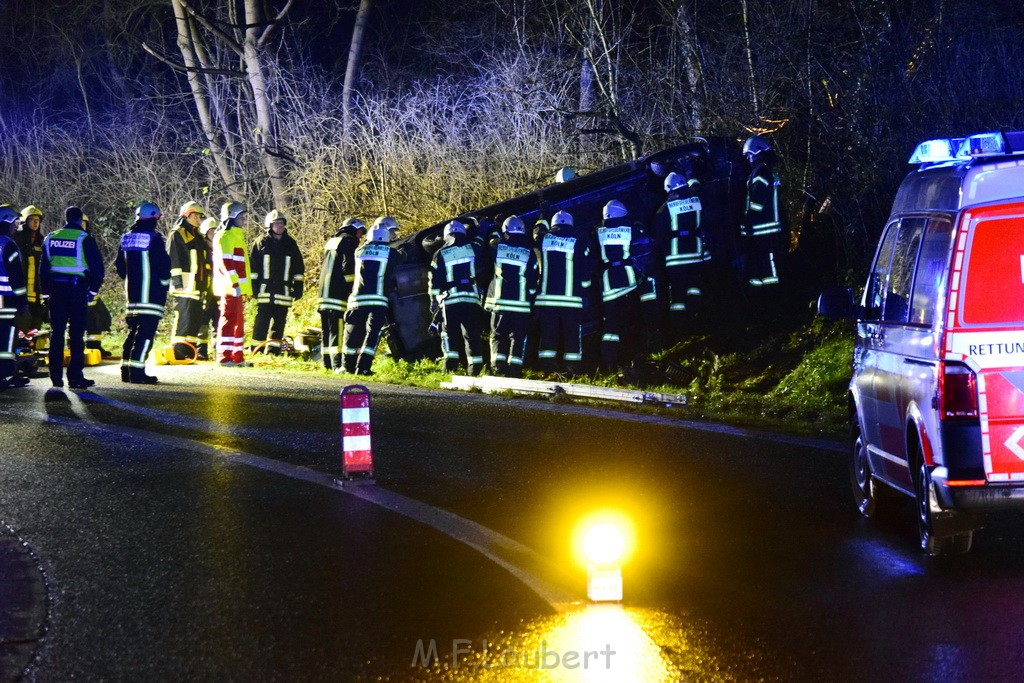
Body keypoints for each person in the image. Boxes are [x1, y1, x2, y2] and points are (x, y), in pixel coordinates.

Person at [40, 206, 104, 390]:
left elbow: (43, 267)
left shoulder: (51, 237)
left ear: (66, 218)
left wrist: (45, 293)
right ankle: (75, 377)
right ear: (79, 219)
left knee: (56, 334)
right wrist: (93, 291)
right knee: (76, 335)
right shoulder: (84, 238)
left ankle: (55, 378)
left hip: (55, 291)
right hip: (77, 291)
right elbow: (97, 267)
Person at [650, 165, 710, 340]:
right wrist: (691, 171)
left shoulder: (667, 206)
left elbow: (656, 231)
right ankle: (697, 319)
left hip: (677, 257)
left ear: (668, 188)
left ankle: (680, 328)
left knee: (677, 293)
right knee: (694, 287)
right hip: (696, 252)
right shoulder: (696, 198)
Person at [115, 202, 172, 384]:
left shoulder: (126, 239)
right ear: (154, 218)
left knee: (132, 332)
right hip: (151, 296)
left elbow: (120, 267)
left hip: (132, 298)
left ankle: (127, 370)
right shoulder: (154, 239)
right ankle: (138, 372)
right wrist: (164, 285)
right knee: (145, 334)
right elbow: (163, 267)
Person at [534, 210, 595, 376]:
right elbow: (586, 271)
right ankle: (572, 370)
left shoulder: (544, 238)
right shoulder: (580, 241)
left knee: (548, 338)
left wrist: (542, 217)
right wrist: (584, 291)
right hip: (572, 301)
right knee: (572, 338)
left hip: (547, 302)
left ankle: (547, 371)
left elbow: (537, 232)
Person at [341, 217, 405, 375]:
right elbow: (402, 258)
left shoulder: (359, 251)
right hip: (377, 300)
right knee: (372, 335)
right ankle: (363, 367)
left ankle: (346, 366)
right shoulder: (391, 253)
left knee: (351, 332)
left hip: (356, 300)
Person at [429, 219, 486, 375]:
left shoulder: (439, 253)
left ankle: (449, 370)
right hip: (471, 299)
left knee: (449, 335)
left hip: (450, 301)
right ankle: (475, 371)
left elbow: (434, 283)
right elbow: (481, 241)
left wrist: (433, 302)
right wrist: (480, 228)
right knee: (473, 335)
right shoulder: (472, 247)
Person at [484, 215, 538, 377]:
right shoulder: (529, 252)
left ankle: (498, 369)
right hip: (520, 305)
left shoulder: (498, 246)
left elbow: (491, 239)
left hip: (499, 303)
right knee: (518, 337)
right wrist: (531, 297)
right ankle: (515, 370)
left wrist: (495, 225)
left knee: (498, 335)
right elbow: (534, 277)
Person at [596, 199, 647, 370]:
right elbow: (641, 245)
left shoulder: (598, 231)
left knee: (610, 326)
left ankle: (609, 362)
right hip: (628, 281)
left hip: (608, 283)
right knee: (632, 320)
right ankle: (635, 358)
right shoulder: (630, 228)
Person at [249, 209, 305, 354]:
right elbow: (253, 267)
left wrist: (298, 286)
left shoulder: (291, 244)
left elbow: (298, 267)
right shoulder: (260, 242)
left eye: (281, 223)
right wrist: (253, 287)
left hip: (283, 291)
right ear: (269, 225)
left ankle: (273, 351)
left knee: (279, 323)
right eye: (276, 223)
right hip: (265, 291)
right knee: (262, 321)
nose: (280, 226)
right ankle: (257, 349)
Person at [317, 217, 365, 370]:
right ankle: (337, 365)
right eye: (359, 232)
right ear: (352, 229)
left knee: (327, 332)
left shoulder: (333, 241)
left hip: (323, 294)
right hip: (337, 295)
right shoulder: (349, 241)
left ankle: (327, 365)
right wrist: (354, 288)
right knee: (337, 332)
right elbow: (348, 269)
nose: (360, 236)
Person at [166, 201, 211, 360]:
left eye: (200, 216)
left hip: (198, 286)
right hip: (184, 287)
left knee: (195, 319)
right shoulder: (177, 233)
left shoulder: (197, 235)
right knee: (183, 319)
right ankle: (178, 351)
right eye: (197, 216)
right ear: (188, 215)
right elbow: (173, 260)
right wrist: (177, 282)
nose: (199, 219)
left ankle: (190, 351)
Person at [740, 135, 785, 290]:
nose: (748, 159)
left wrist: (746, 221)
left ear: (757, 152)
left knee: (767, 267)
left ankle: (770, 297)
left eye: (749, 155)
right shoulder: (767, 170)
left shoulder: (760, 172)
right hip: (766, 229)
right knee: (763, 266)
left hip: (763, 229)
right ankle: (763, 297)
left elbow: (757, 203)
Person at [212, 201, 252, 366]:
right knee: (228, 320)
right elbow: (226, 263)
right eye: (241, 216)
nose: (244, 220)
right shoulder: (225, 236)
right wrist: (234, 284)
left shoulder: (236, 236)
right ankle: (224, 357)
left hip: (237, 287)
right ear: (232, 217)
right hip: (230, 288)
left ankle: (236, 356)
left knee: (237, 321)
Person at [0, 205, 30, 390]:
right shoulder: (8, 245)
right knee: (6, 337)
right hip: (6, 300)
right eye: (15, 222)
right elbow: (16, 277)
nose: (16, 226)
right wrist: (22, 303)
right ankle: (6, 375)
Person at [81, 214, 114, 358]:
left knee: (96, 315)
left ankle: (94, 346)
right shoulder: (74, 239)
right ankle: (74, 346)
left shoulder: (89, 240)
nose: (82, 225)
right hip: (77, 285)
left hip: (90, 285)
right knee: (77, 316)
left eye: (84, 223)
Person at [12, 205, 46, 334]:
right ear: (25, 222)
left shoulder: (41, 241)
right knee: (20, 322)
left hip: (36, 292)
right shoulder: (16, 239)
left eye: (38, 219)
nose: (36, 222)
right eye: (32, 219)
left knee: (36, 322)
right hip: (20, 290)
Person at [197, 217, 220, 358]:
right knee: (203, 321)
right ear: (205, 233)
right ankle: (201, 350)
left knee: (219, 320)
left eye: (216, 231)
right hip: (205, 290)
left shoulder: (221, 248)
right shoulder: (201, 249)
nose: (214, 234)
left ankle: (219, 349)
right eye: (212, 231)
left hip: (218, 290)